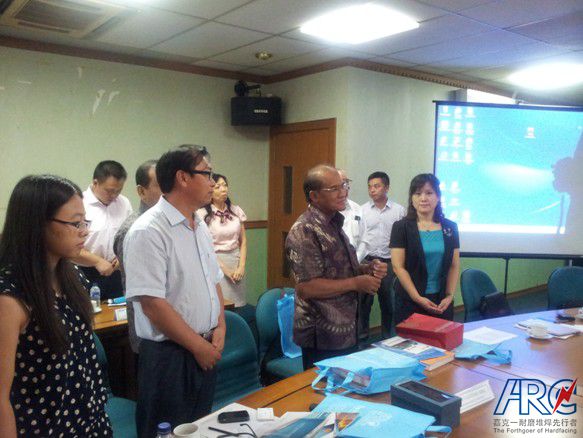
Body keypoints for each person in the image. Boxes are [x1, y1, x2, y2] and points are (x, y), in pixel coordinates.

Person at [123, 145, 226, 438]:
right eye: (207, 174)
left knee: (199, 429)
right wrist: (198, 346)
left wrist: (220, 325)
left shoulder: (199, 224)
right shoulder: (148, 230)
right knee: (166, 430)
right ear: (182, 177)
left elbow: (213, 280)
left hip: (205, 347)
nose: (213, 182)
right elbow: (152, 304)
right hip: (170, 355)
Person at [0, 175, 112, 437]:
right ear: (37, 223)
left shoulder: (71, 275)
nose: (84, 231)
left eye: (84, 222)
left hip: (89, 421)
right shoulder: (10, 297)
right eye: (75, 223)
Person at [285, 165, 388, 370]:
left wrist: (366, 269)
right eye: (334, 189)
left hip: (347, 327)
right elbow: (307, 287)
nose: (343, 193)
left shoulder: (333, 223)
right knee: (323, 388)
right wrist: (356, 283)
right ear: (314, 196)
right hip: (322, 335)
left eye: (344, 185)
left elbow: (339, 268)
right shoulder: (304, 230)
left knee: (346, 385)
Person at [390, 173, 460, 325]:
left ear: (438, 197)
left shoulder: (450, 227)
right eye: (418, 193)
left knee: (442, 338)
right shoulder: (401, 227)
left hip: (442, 301)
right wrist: (417, 298)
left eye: (429, 193)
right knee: (411, 340)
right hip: (411, 300)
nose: (423, 198)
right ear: (412, 198)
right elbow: (398, 267)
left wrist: (449, 295)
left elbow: (454, 265)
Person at [113, 159, 161, 355]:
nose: (169, 191)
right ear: (141, 191)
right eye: (161, 185)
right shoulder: (134, 229)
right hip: (151, 333)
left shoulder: (171, 222)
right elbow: (143, 293)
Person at [76, 160, 133, 300]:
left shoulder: (124, 203)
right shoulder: (79, 203)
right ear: (95, 183)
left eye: (118, 191)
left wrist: (122, 257)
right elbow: (67, 246)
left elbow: (130, 235)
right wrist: (97, 261)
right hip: (84, 270)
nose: (114, 196)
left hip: (116, 271)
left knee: (118, 310)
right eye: (109, 191)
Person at [360, 171, 406, 338]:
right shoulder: (362, 211)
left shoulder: (399, 211)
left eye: (376, 186)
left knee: (389, 304)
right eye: (370, 187)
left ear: (386, 188)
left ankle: (388, 338)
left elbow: (404, 239)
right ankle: (362, 338)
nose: (372, 190)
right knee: (363, 303)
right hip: (367, 263)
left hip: (389, 263)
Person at [198, 173, 248, 309]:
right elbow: (205, 247)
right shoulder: (201, 214)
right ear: (210, 190)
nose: (223, 189)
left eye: (225, 185)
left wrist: (241, 267)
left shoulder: (236, 211)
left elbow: (243, 241)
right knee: (220, 305)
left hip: (236, 260)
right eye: (218, 187)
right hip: (215, 262)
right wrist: (226, 270)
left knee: (239, 305)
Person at [338, 169, 368, 262]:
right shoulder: (322, 211)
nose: (345, 188)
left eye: (346, 183)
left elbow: (364, 240)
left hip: (355, 263)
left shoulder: (357, 208)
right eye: (341, 184)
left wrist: (355, 262)